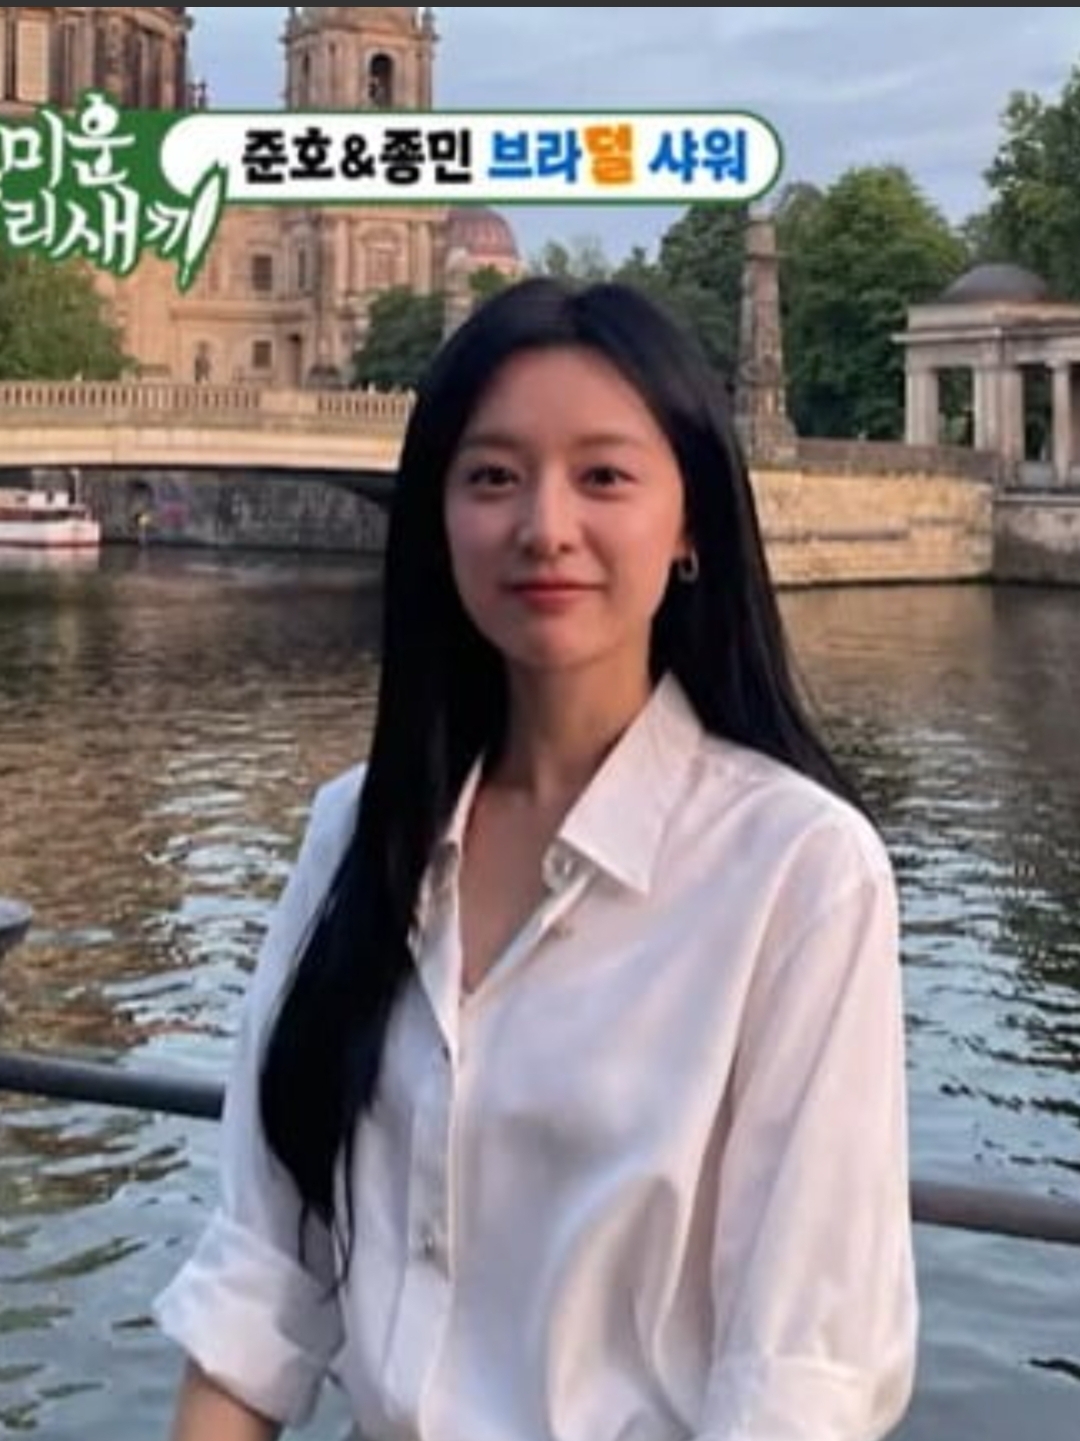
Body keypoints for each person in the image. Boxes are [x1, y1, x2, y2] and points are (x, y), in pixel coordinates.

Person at [154, 276, 919, 1441]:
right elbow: (263, 1274)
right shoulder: (355, 832)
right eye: (492, 477)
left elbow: (793, 1382)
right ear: (438, 520)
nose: (544, 526)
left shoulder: (800, 871)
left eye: (603, 476)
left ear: (691, 523)